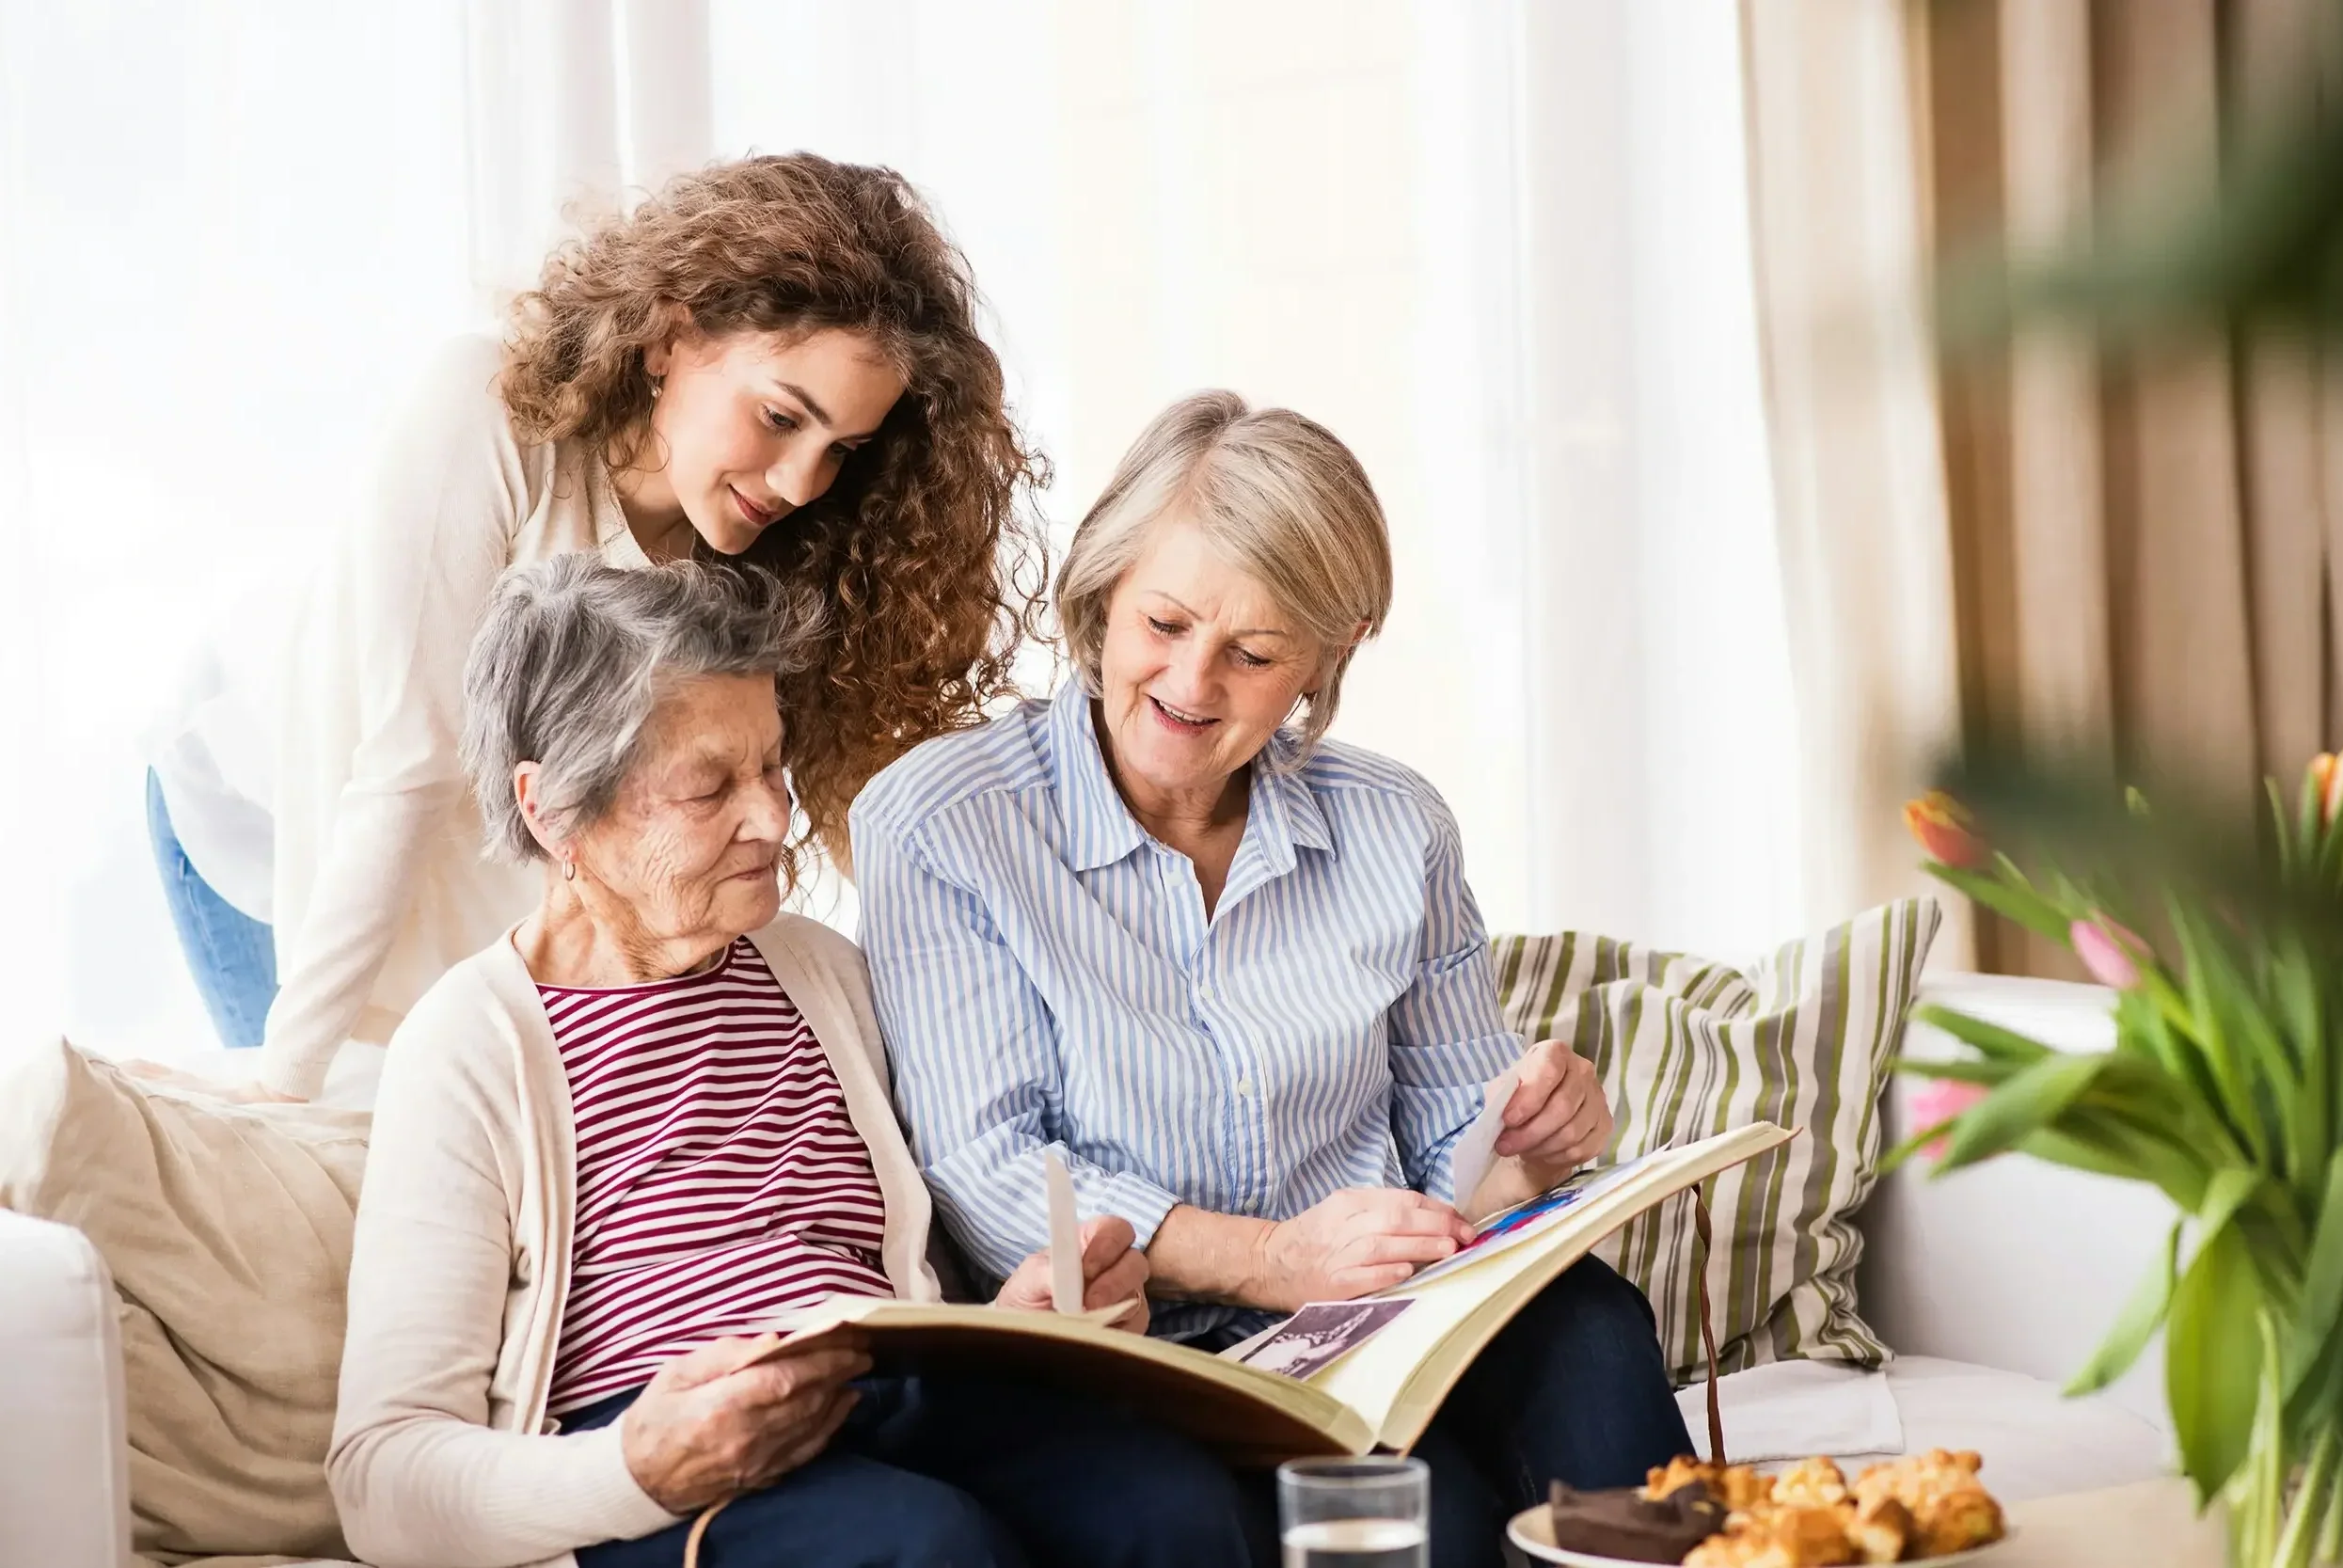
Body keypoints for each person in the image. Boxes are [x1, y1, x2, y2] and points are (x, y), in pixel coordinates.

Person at [852, 392, 1694, 1565]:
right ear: (1102, 590)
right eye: (1165, 621)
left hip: (1381, 1322)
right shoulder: (944, 821)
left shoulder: (1394, 825)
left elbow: (1458, 1137)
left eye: (1252, 654)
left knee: (1594, 1326)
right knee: (1433, 1521)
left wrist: (1532, 1144)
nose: (1191, 681)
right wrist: (1271, 1258)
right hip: (1141, 1344)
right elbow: (993, 1170)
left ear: (1326, 655)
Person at [329, 556, 1258, 1568]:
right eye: (707, 786)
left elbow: (909, 1281)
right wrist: (638, 1467)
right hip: (660, 1452)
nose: (773, 817)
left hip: (888, 1394)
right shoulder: (469, 1042)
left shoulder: (818, 968)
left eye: (772, 765)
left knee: (1174, 1505)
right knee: (923, 1548)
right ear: (556, 810)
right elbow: (383, 1475)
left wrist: (1018, 1317)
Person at [146, 151, 1043, 1097]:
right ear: (668, 336)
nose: (798, 482)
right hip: (278, 820)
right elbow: (407, 765)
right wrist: (282, 1086)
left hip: (463, 855)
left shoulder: (766, 554)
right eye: (781, 416)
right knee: (320, 1150)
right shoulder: (489, 415)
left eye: (841, 450)